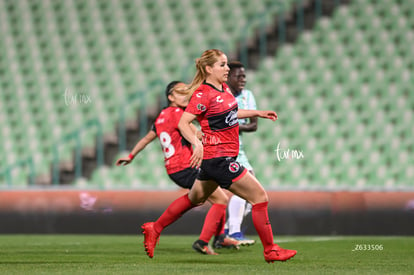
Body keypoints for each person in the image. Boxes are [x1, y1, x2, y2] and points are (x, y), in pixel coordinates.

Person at [141, 49, 297, 263]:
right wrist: (196, 143)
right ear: (208, 69)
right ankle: (270, 249)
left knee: (193, 198)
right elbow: (183, 123)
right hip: (219, 159)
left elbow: (231, 112)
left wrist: (257, 112)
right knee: (260, 198)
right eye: (222, 65)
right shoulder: (202, 94)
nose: (227, 69)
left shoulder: (223, 88)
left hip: (215, 160)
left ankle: (155, 228)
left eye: (226, 65)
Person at [116, 81, 239, 256]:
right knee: (220, 199)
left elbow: (146, 139)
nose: (186, 95)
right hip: (187, 165)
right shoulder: (178, 114)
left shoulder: (160, 117)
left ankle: (219, 238)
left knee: (214, 197)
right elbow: (195, 133)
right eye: (180, 92)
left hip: (174, 169)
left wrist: (130, 156)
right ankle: (203, 242)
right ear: (170, 97)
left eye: (187, 91)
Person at [223, 61, 257, 246]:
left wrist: (234, 126)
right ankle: (233, 231)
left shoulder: (247, 95)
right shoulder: (222, 96)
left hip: (239, 148)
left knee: (252, 195)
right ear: (228, 77)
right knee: (246, 189)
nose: (243, 79)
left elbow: (254, 125)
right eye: (239, 76)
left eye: (244, 76)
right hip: (224, 148)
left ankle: (228, 230)